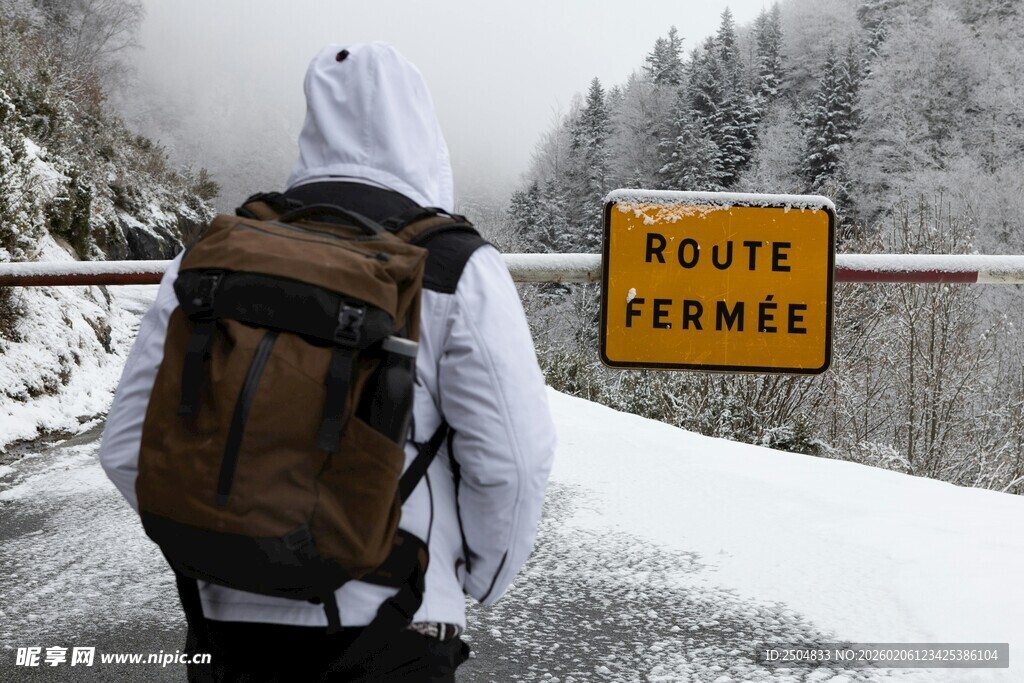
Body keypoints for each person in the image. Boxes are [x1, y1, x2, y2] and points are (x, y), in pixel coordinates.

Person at [99, 41, 556, 682]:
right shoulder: (456, 266)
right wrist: (473, 577)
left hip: (223, 625)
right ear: (424, 130)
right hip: (393, 618)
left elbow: (126, 445)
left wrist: (220, 536)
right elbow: (512, 458)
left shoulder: (212, 254)